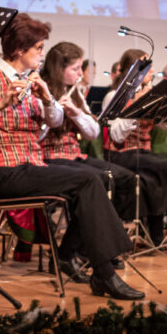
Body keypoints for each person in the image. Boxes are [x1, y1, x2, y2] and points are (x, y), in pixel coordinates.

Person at [0, 14, 142, 299]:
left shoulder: (29, 80)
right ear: (20, 49)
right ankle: (104, 273)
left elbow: (55, 121)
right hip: (3, 171)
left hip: (30, 166)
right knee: (88, 181)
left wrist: (46, 98)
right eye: (39, 48)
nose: (43, 54)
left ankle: (90, 264)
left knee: (91, 181)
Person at [101, 48, 167, 248]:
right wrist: (138, 105)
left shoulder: (150, 94)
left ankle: (153, 237)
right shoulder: (113, 96)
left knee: (157, 178)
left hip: (143, 153)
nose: (151, 72)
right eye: (146, 68)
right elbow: (116, 135)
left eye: (150, 68)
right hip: (120, 154)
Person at [39, 42, 137, 222]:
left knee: (125, 178)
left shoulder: (74, 94)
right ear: (59, 69)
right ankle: (82, 242)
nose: (80, 73)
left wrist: (76, 114)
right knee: (99, 179)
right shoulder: (41, 90)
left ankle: (114, 228)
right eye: (75, 68)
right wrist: (52, 109)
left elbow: (93, 133)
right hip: (49, 157)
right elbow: (36, 135)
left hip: (74, 155)